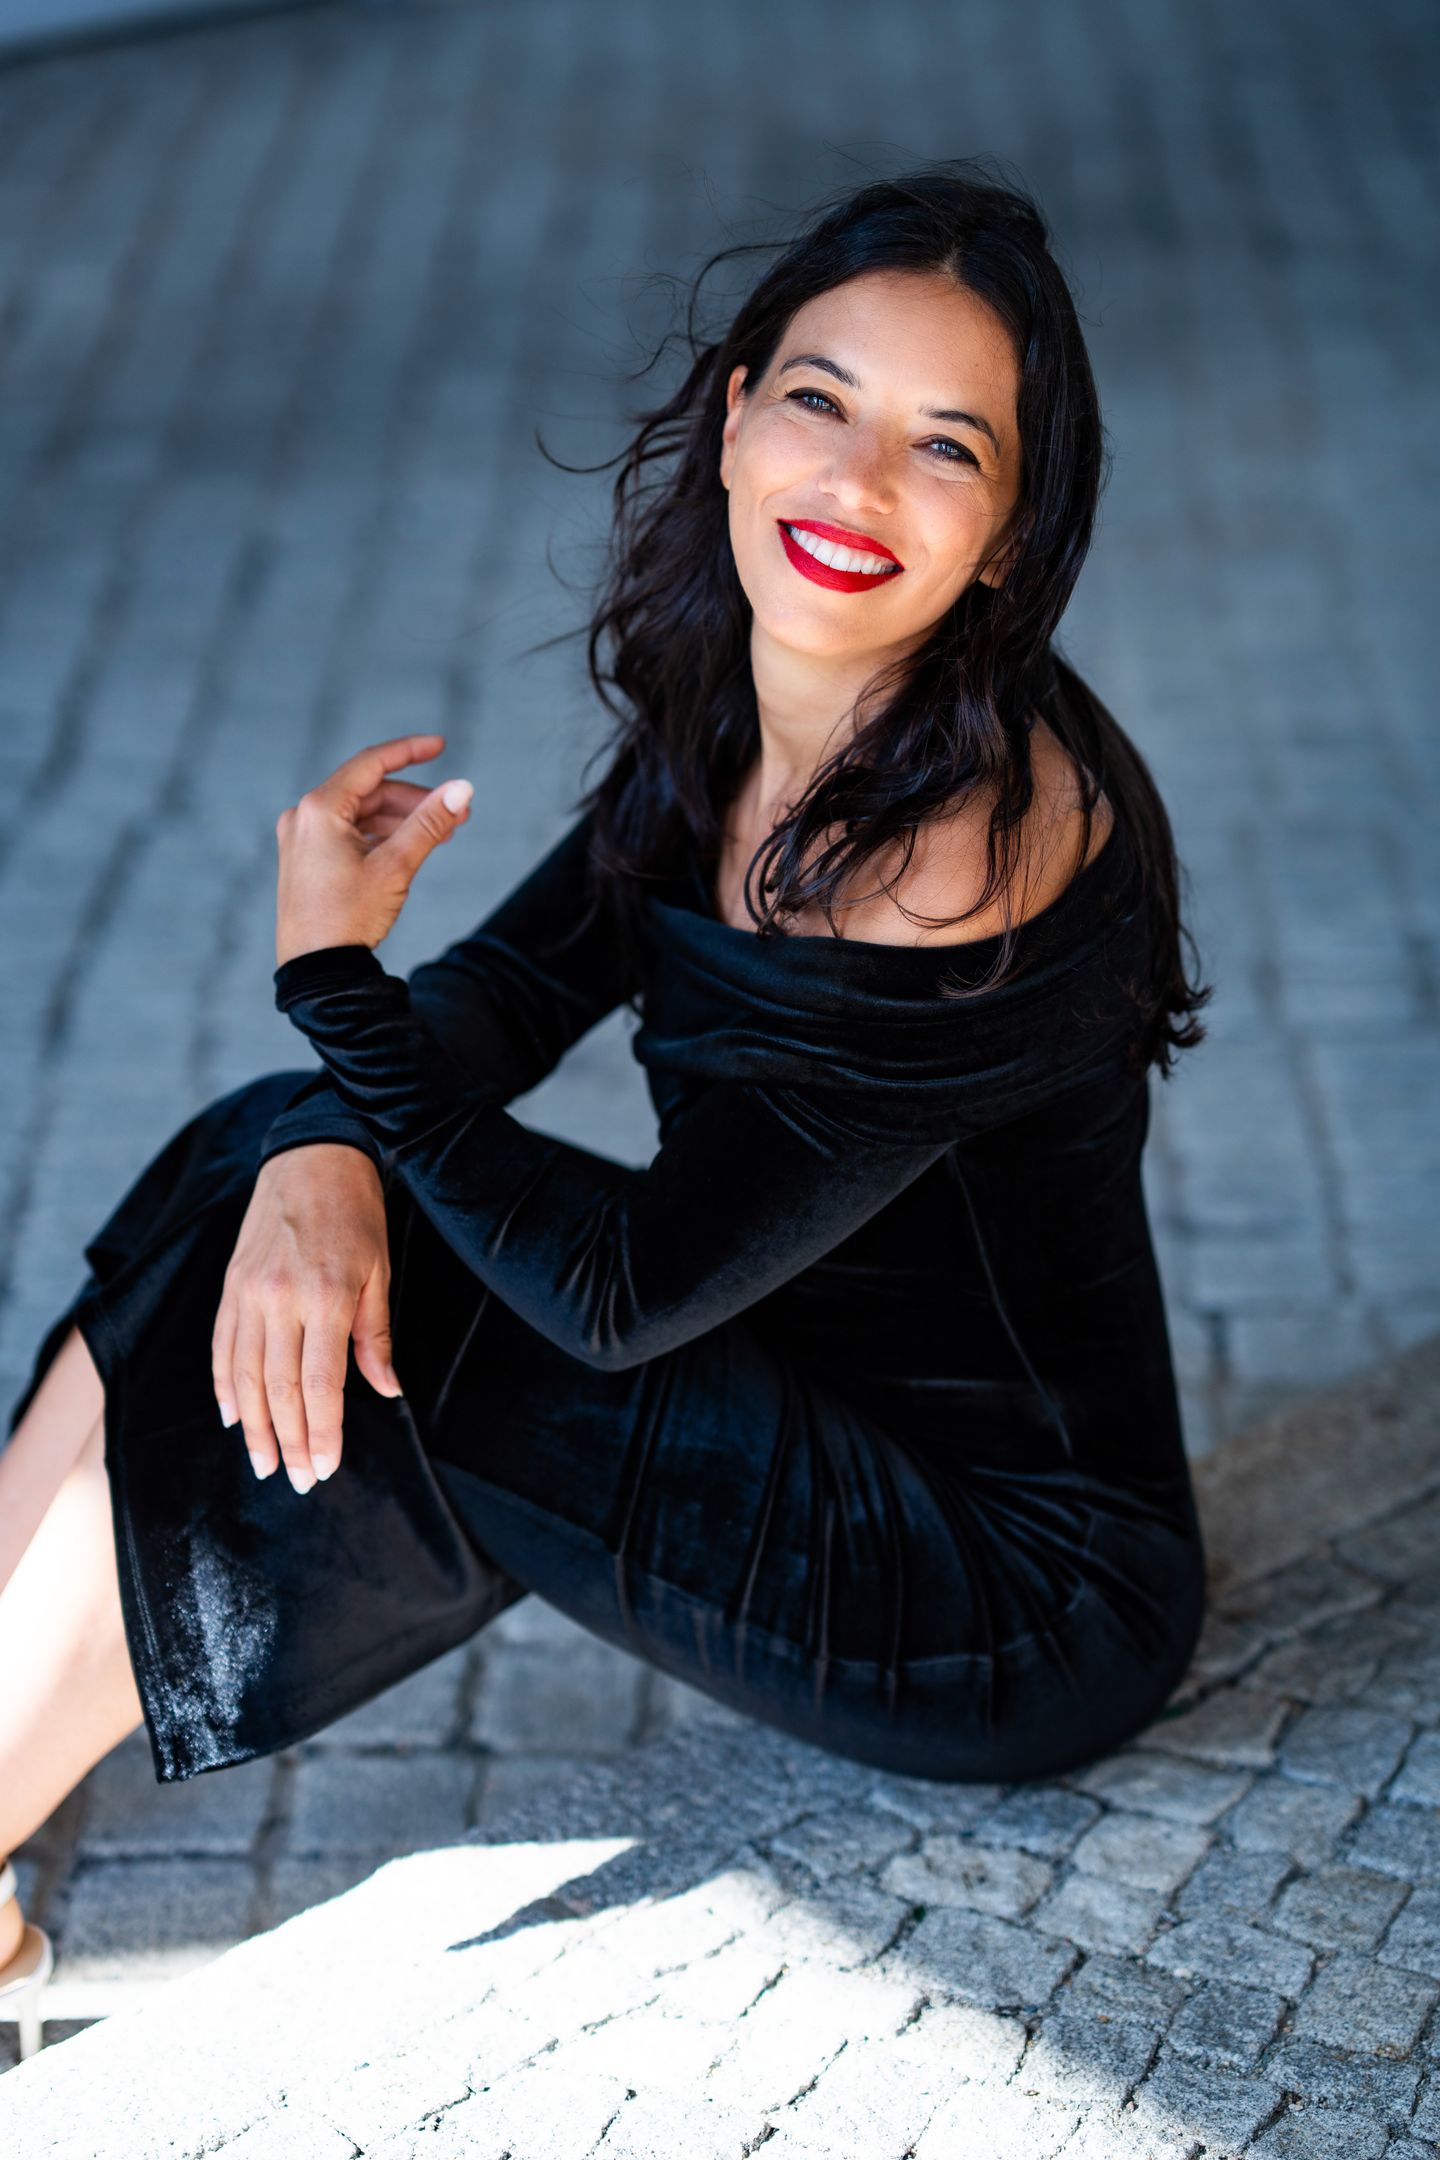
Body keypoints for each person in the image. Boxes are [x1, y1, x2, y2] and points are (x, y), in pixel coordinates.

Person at [0, 161, 1212, 2058]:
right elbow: (511, 991)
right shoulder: (753, 691)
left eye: (945, 447)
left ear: (1011, 532)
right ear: (734, 416)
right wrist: (316, 1133)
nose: (857, 482)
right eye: (820, 401)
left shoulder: (960, 855)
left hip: (1000, 1589)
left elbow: (614, 1297)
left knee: (402, 1285)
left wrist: (331, 994)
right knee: (273, 1163)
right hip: (785, 1384)